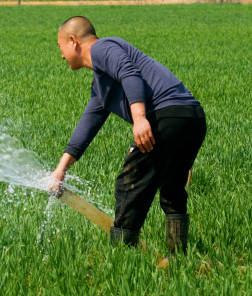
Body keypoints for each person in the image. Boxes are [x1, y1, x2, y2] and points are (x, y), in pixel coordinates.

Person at [50, 16, 206, 254]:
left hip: (165, 116)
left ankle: (123, 257)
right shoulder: (101, 85)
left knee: (129, 185)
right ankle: (178, 256)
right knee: (172, 188)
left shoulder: (102, 48)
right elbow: (87, 126)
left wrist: (140, 118)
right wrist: (61, 170)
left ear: (73, 41)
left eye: (60, 47)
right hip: (191, 117)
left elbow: (129, 72)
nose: (61, 55)